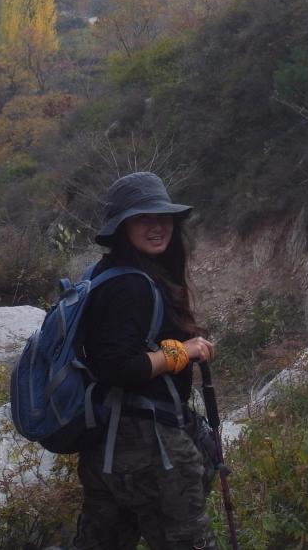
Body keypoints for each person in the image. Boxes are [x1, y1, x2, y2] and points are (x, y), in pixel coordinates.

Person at [73, 171, 218, 550]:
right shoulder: (132, 285)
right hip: (151, 449)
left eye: (162, 217)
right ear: (122, 227)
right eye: (143, 218)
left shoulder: (103, 273)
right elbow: (117, 367)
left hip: (106, 444)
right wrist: (183, 352)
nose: (157, 226)